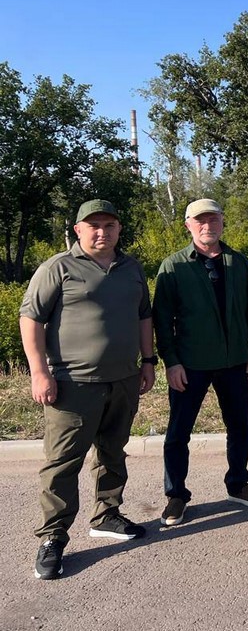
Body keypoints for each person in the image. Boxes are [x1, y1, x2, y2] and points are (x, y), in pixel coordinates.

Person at [20, 199, 156, 581]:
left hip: (123, 380)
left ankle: (107, 515)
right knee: (63, 462)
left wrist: (148, 361)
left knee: (113, 452)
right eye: (93, 226)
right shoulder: (58, 268)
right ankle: (52, 537)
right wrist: (38, 372)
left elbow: (144, 316)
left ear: (118, 229)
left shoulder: (131, 268)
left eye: (109, 225)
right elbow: (30, 318)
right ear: (78, 230)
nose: (102, 232)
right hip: (72, 384)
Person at [153, 198, 248, 526]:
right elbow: (162, 319)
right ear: (188, 225)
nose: (208, 226)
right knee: (178, 432)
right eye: (200, 221)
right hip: (190, 363)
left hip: (234, 361)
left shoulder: (238, 262)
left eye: (213, 219)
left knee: (240, 428)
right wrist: (171, 362)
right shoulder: (173, 266)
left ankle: (238, 484)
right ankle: (176, 495)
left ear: (222, 221)